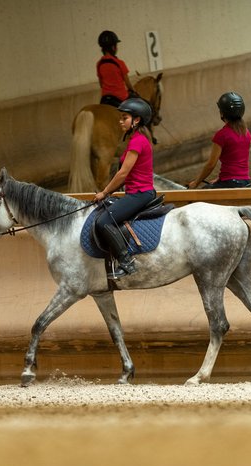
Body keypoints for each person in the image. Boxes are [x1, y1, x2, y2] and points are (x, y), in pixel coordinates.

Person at [94, 97, 156, 279]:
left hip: (140, 194)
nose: (120, 121)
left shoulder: (138, 141)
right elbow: (126, 176)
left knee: (103, 221)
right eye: (121, 118)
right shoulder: (136, 139)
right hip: (137, 192)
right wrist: (108, 192)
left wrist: (104, 192)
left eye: (124, 118)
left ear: (136, 120)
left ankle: (126, 262)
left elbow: (123, 173)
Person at [188, 92, 251, 189]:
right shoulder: (246, 133)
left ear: (222, 113)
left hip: (230, 183)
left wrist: (196, 182)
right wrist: (221, 178)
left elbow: (211, 164)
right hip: (246, 181)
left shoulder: (221, 135)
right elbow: (237, 161)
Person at [96, 30, 136, 108]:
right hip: (121, 98)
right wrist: (134, 91)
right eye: (116, 46)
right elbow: (128, 84)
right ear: (113, 47)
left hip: (105, 99)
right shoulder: (120, 63)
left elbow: (101, 84)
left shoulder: (99, 64)